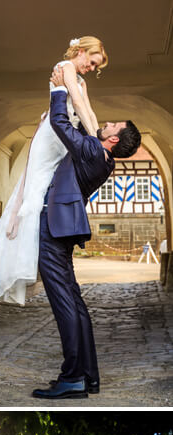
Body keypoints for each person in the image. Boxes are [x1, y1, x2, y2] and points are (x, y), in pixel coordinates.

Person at [0, 40, 108, 310]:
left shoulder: (80, 79)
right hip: (51, 137)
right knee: (36, 188)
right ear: (82, 50)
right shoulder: (64, 67)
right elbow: (75, 102)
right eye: (92, 61)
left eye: (95, 66)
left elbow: (88, 109)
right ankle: (27, 255)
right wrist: (95, 141)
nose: (90, 67)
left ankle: (39, 249)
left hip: (61, 137)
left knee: (45, 187)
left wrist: (96, 137)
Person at [34, 95, 141, 399]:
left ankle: (72, 377)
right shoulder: (104, 160)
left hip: (55, 226)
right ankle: (88, 377)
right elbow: (82, 126)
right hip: (66, 226)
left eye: (112, 126)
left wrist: (58, 91)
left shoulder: (94, 151)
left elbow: (60, 123)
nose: (106, 124)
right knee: (75, 302)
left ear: (113, 139)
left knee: (63, 302)